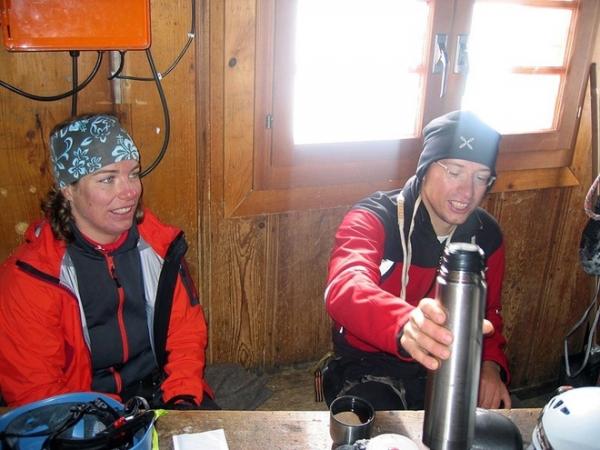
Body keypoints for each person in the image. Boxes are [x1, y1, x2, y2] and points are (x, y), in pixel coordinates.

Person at [0, 113, 218, 409]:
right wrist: (108, 423)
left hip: (163, 392)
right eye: (108, 179)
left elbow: (185, 334)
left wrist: (182, 401)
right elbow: (36, 390)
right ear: (68, 189)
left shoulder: (159, 248)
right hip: (83, 412)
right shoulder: (31, 278)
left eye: (133, 174)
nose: (130, 191)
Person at [323, 110, 511, 410]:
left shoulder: (486, 236)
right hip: (369, 362)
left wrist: (490, 365)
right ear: (425, 169)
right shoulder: (375, 217)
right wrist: (405, 323)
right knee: (376, 425)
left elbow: (489, 313)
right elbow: (345, 286)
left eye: (480, 178)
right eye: (455, 172)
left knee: (495, 425)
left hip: (448, 361)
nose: (467, 192)